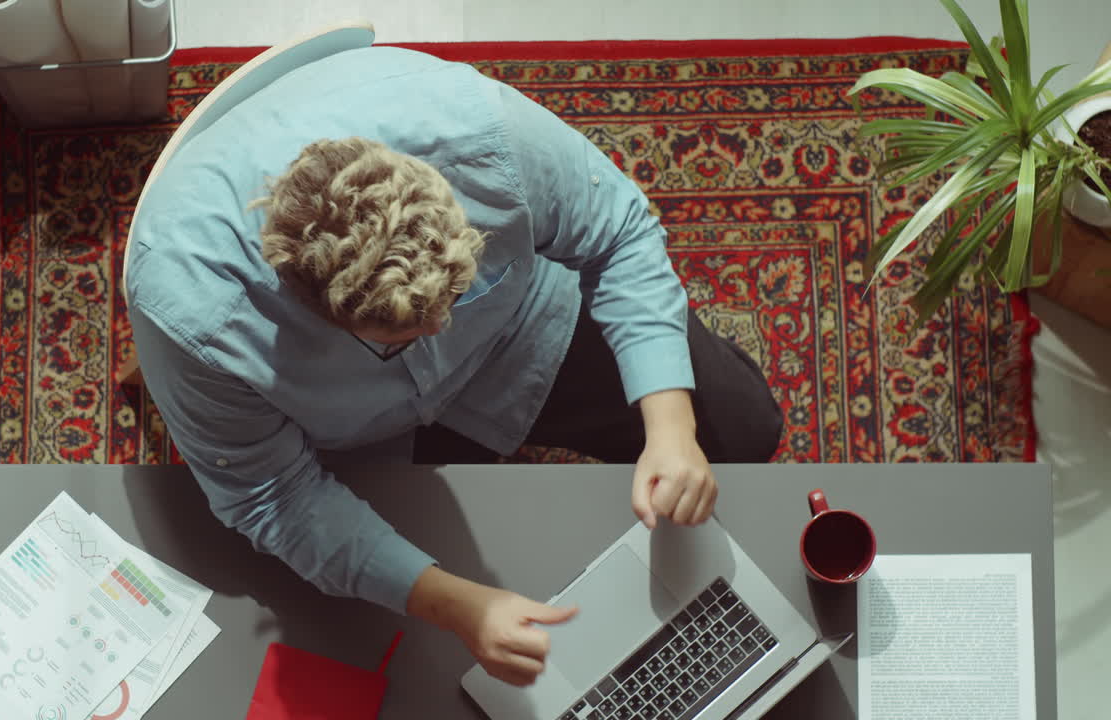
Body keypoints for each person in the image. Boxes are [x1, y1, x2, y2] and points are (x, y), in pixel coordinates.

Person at [124, 45, 783, 688]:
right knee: (396, 651)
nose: (443, 331)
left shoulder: (475, 129)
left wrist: (669, 430)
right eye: (403, 337)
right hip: (370, 430)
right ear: (315, 308)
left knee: (743, 430)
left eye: (459, 291)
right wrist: (457, 605)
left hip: (526, 325)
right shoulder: (192, 317)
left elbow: (618, 234)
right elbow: (277, 498)